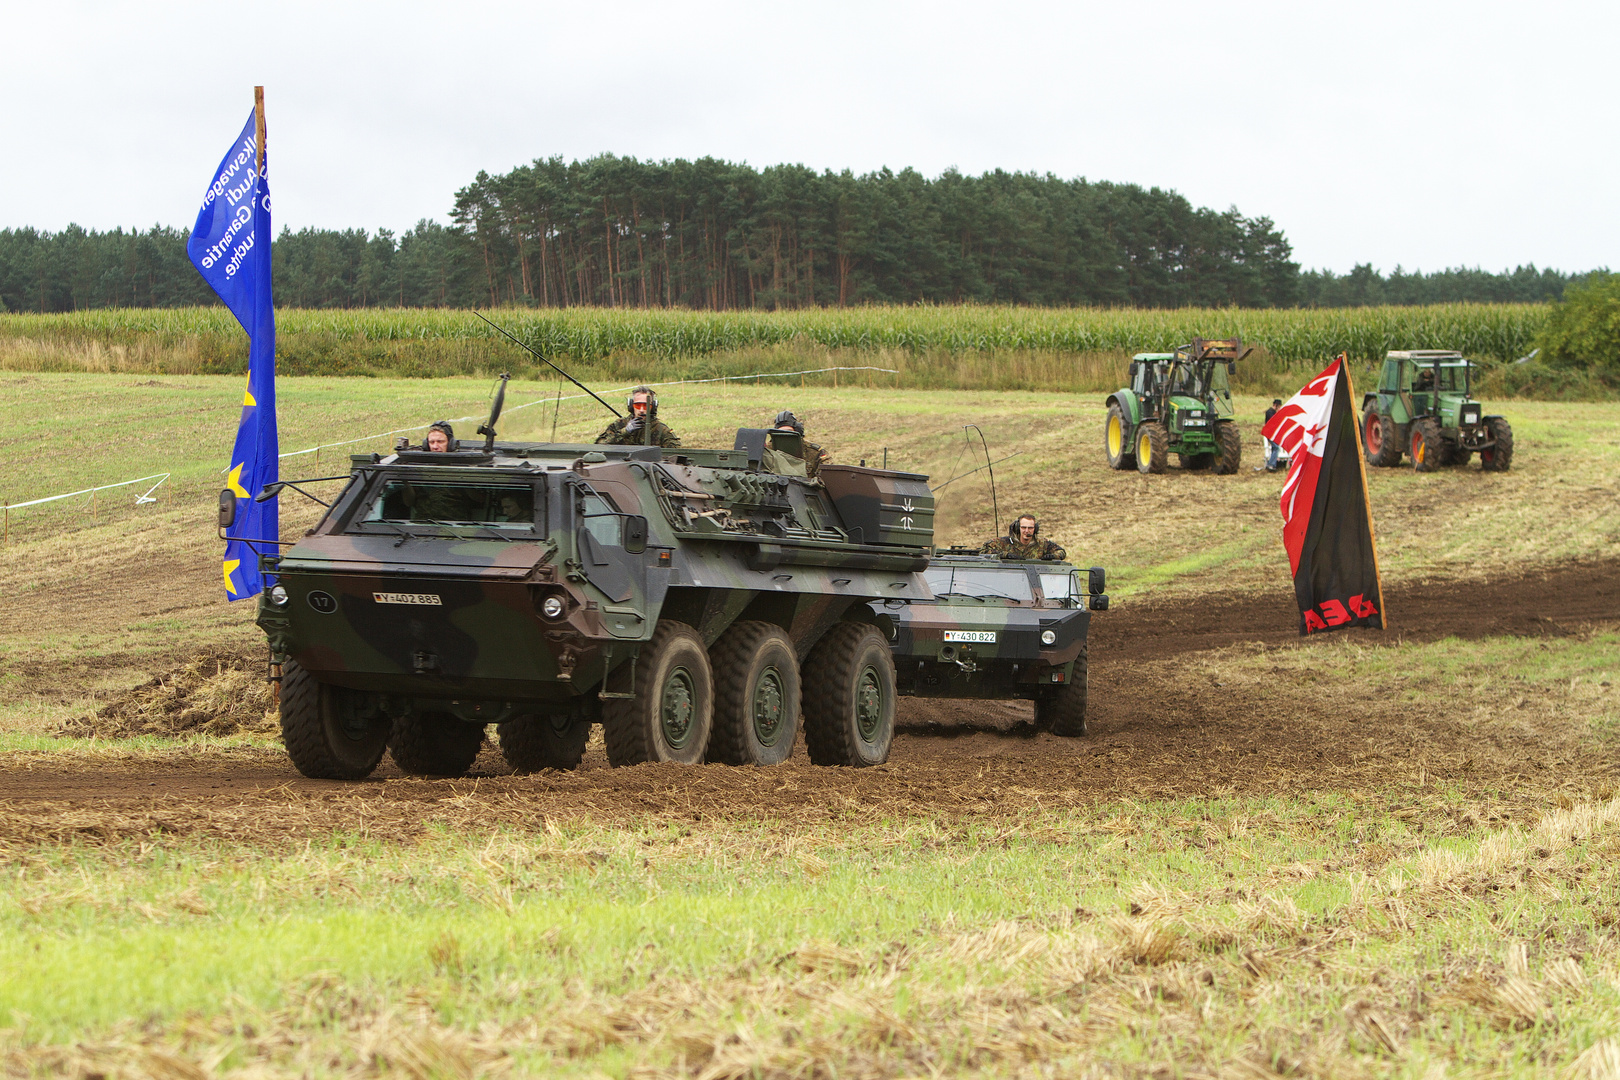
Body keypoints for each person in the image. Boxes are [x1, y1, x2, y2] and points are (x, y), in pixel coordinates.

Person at [596, 385, 681, 448]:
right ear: (631, 406)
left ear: (653, 407)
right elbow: (599, 446)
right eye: (637, 405)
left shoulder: (661, 430)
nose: (641, 410)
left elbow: (677, 453)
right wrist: (624, 432)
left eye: (646, 406)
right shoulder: (619, 425)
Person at [767, 410, 832, 478]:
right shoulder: (767, 451)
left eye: (789, 432)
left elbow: (828, 475)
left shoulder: (815, 453)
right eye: (780, 433)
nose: (785, 435)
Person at [979, 515, 1065, 561]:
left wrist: (1053, 556)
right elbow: (984, 550)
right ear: (1017, 528)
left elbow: (1061, 552)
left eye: (1030, 528)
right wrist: (1005, 555)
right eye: (1023, 528)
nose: (1027, 531)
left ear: (1035, 529)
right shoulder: (1005, 542)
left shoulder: (1042, 544)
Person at [1263, 398, 1282, 472]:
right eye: (1279, 406)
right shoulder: (1270, 412)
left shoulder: (1272, 412)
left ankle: (1271, 464)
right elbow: (1273, 421)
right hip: (1270, 433)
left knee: (1274, 448)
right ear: (1276, 405)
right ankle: (1271, 464)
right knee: (1276, 448)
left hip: (1273, 433)